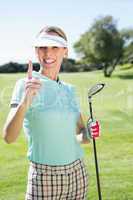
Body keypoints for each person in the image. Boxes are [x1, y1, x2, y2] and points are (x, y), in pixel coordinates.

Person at [2, 26, 100, 200]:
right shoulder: (25, 84)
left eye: (55, 47)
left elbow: (79, 136)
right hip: (44, 177)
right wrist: (26, 100)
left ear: (65, 51)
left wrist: (89, 133)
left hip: (78, 173)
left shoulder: (70, 90)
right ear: (36, 51)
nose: (48, 53)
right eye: (43, 47)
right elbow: (9, 137)